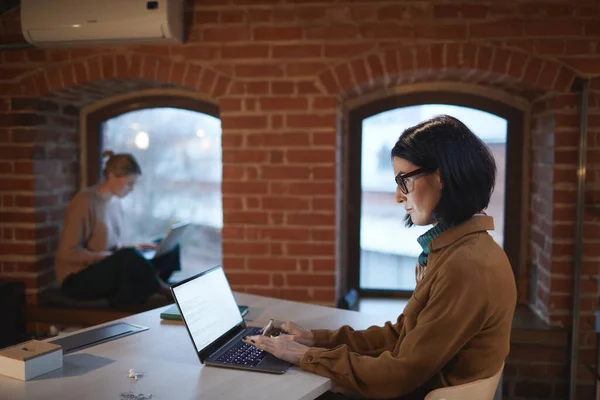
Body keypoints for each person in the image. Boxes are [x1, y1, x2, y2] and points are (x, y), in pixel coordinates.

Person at [244, 115, 517, 399]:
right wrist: (315, 340)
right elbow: (400, 336)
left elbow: (400, 375)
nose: (399, 197)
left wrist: (306, 356)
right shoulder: (460, 250)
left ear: (443, 177)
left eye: (404, 181)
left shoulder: (465, 266)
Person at [54, 150, 181, 306]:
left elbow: (111, 247)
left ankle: (155, 282)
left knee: (167, 245)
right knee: (128, 256)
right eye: (129, 183)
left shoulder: (115, 202)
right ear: (112, 176)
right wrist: (109, 257)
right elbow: (68, 253)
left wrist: (136, 247)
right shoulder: (84, 201)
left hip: (103, 267)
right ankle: (161, 289)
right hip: (77, 279)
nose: (131, 189)